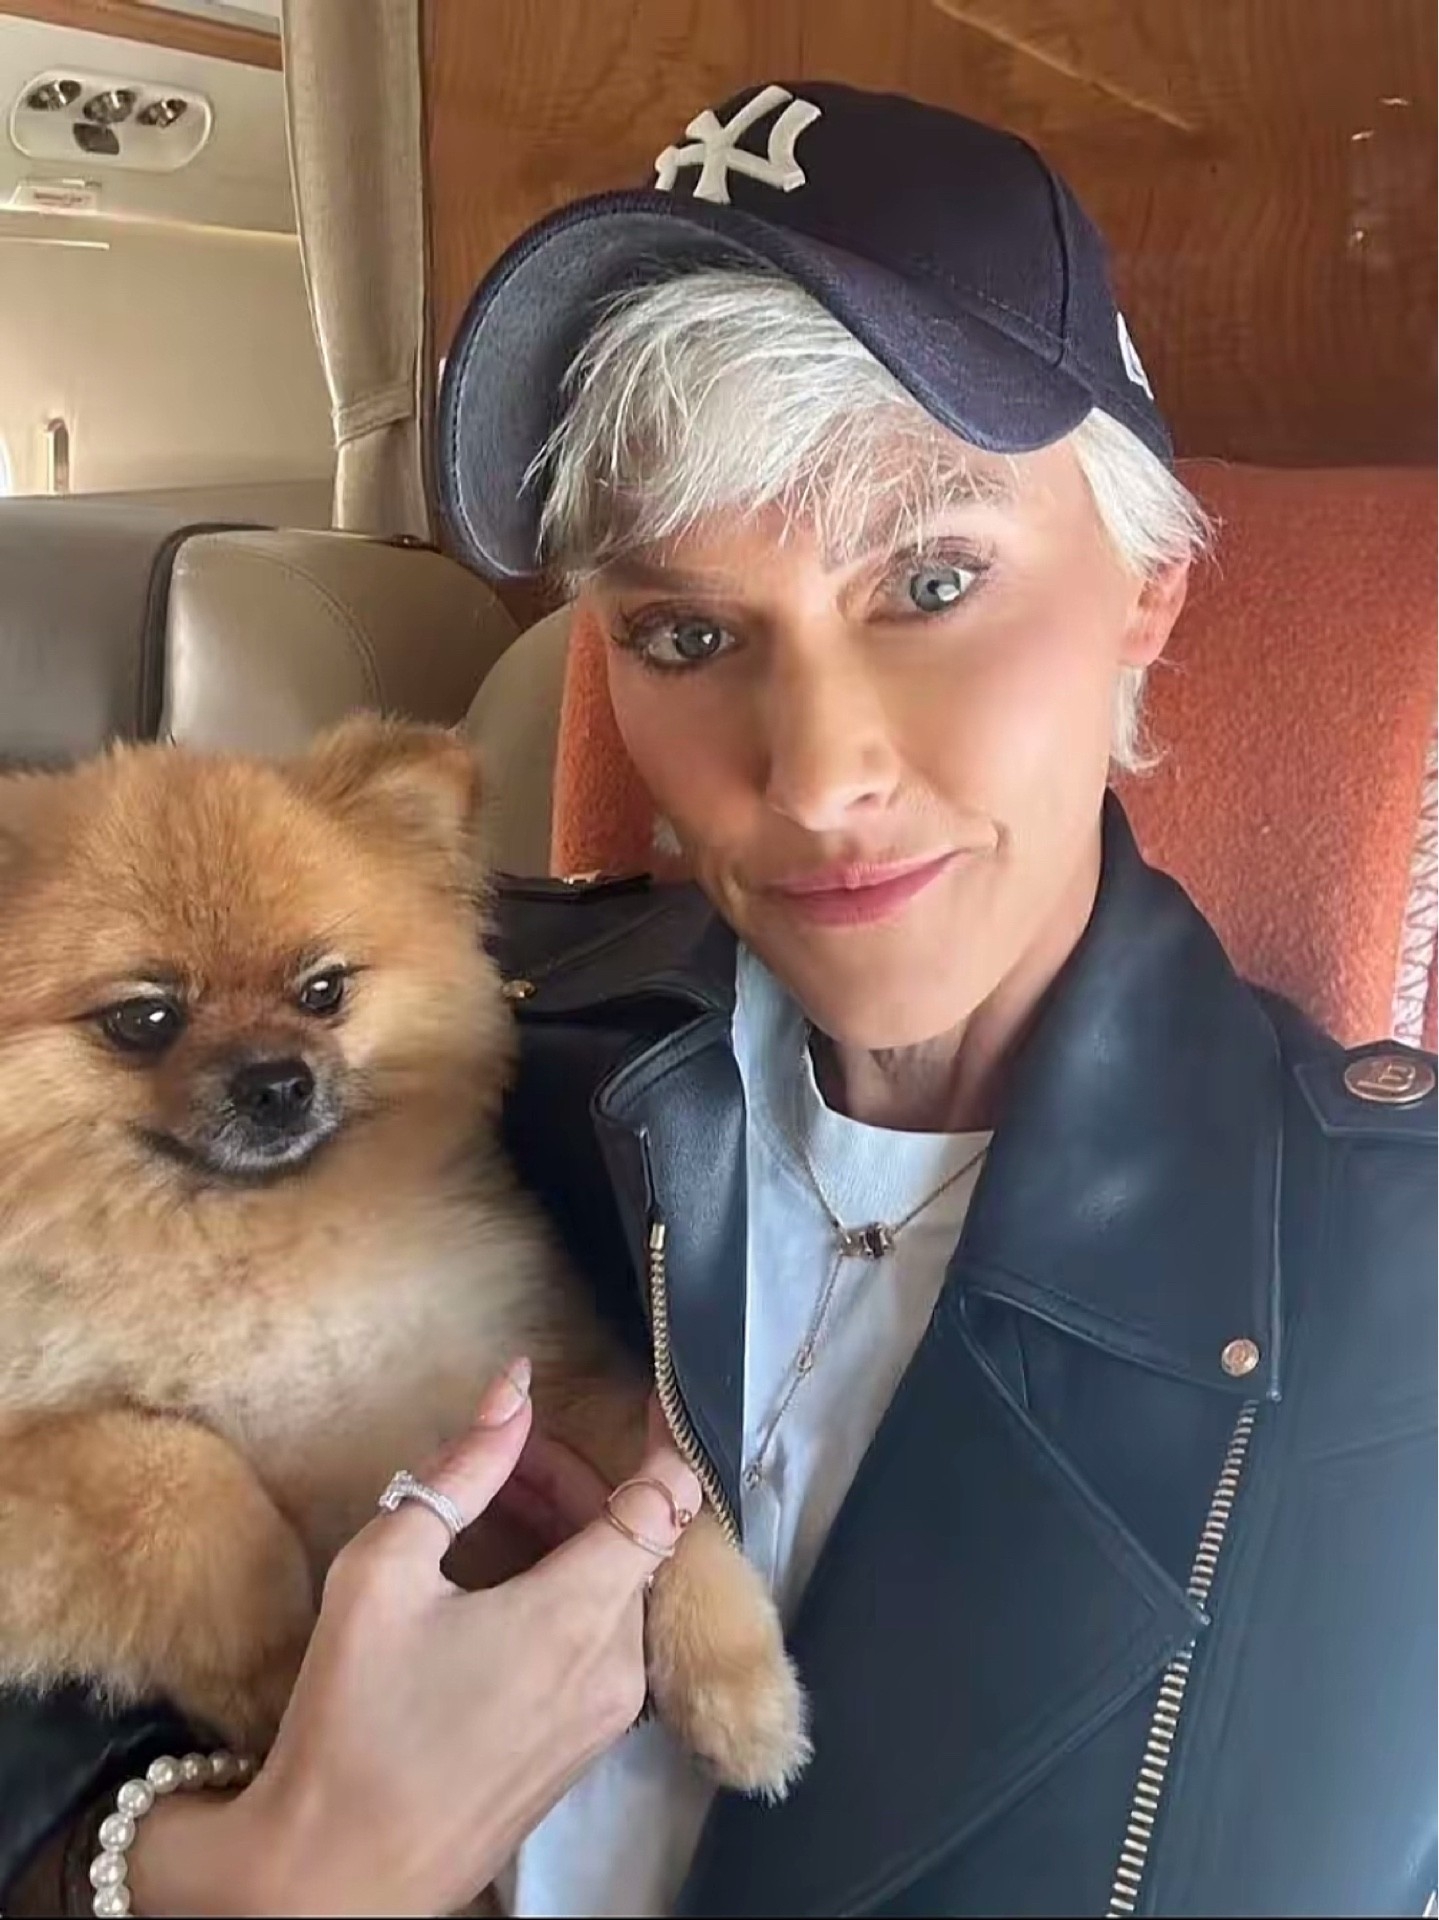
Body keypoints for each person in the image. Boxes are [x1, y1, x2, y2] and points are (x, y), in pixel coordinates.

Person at [2, 79, 1434, 1920]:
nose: (817, 776)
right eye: (685, 634)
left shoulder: (1394, 1288)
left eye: (932, 579)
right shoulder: (463, 1066)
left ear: (1148, 587)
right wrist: (196, 1872)